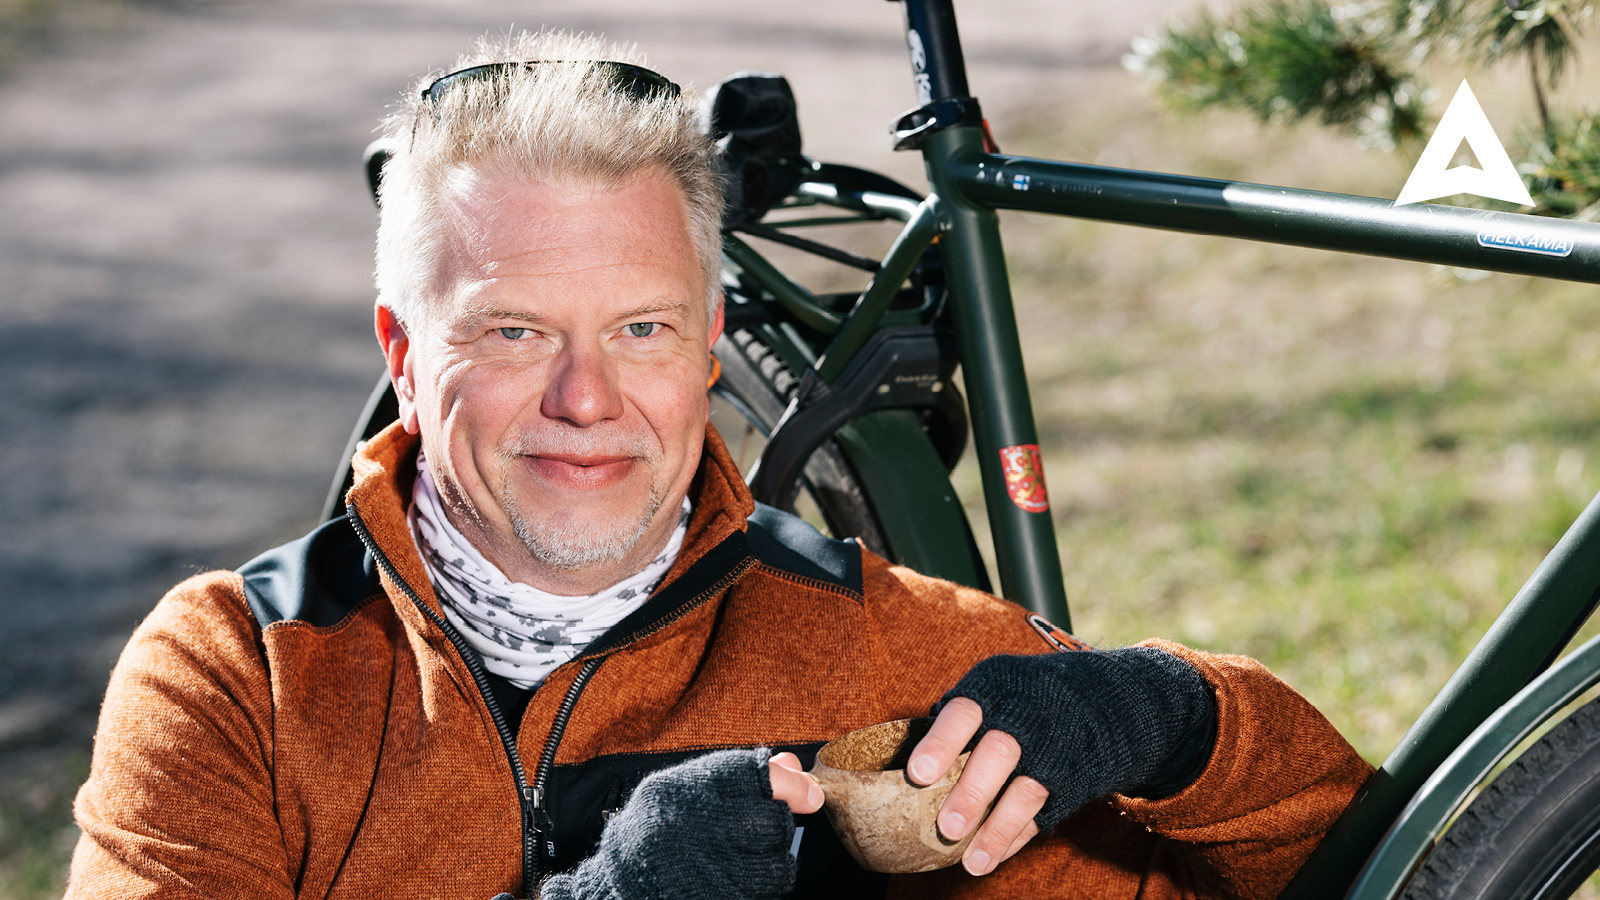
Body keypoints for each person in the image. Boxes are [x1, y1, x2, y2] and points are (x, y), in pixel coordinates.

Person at [65, 31, 1371, 900]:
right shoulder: (241, 673)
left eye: (641, 330)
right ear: (402, 351)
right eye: (516, 332)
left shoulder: (879, 660)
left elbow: (1407, 863)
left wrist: (1171, 716)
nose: (587, 399)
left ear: (702, 351)